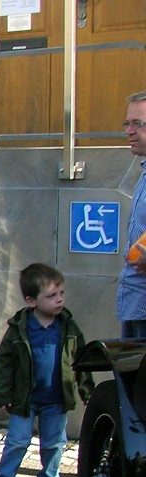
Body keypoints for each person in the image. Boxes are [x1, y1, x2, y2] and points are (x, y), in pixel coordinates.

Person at [0, 263, 93, 477]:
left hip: (56, 399)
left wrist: (86, 389)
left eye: (61, 294)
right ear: (31, 301)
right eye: (51, 296)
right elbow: (4, 363)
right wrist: (2, 394)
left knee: (53, 442)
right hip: (24, 399)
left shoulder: (68, 327)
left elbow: (83, 360)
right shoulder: (20, 329)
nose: (59, 300)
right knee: (16, 441)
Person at [118, 90, 146, 337]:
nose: (129, 131)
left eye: (138, 124)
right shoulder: (143, 172)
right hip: (134, 303)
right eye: (127, 123)